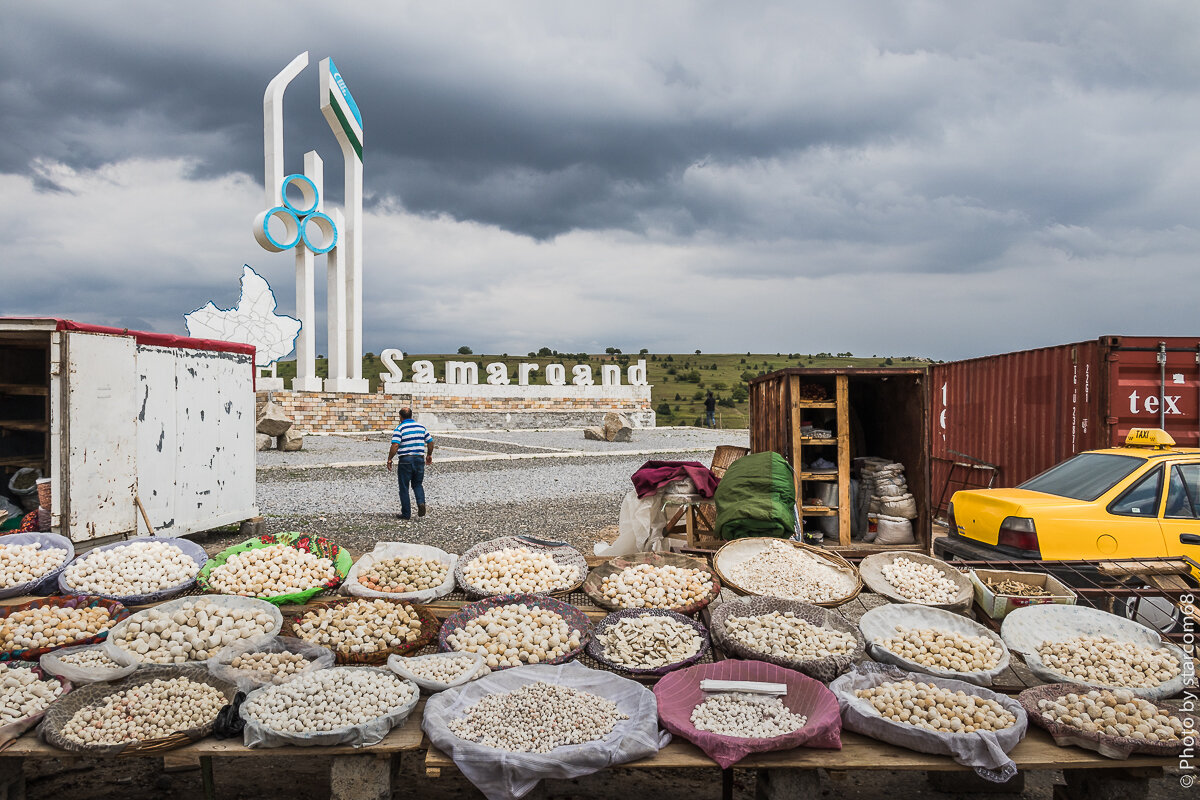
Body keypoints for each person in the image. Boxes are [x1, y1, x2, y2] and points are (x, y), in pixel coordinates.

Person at [386, 407, 434, 520]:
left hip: (405, 460)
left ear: (400, 417)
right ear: (411, 416)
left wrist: (389, 459)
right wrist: (429, 455)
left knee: (404, 487)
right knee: (417, 484)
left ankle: (406, 513)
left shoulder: (400, 428)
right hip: (419, 459)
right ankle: (421, 502)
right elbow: (430, 442)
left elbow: (395, 445)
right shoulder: (421, 427)